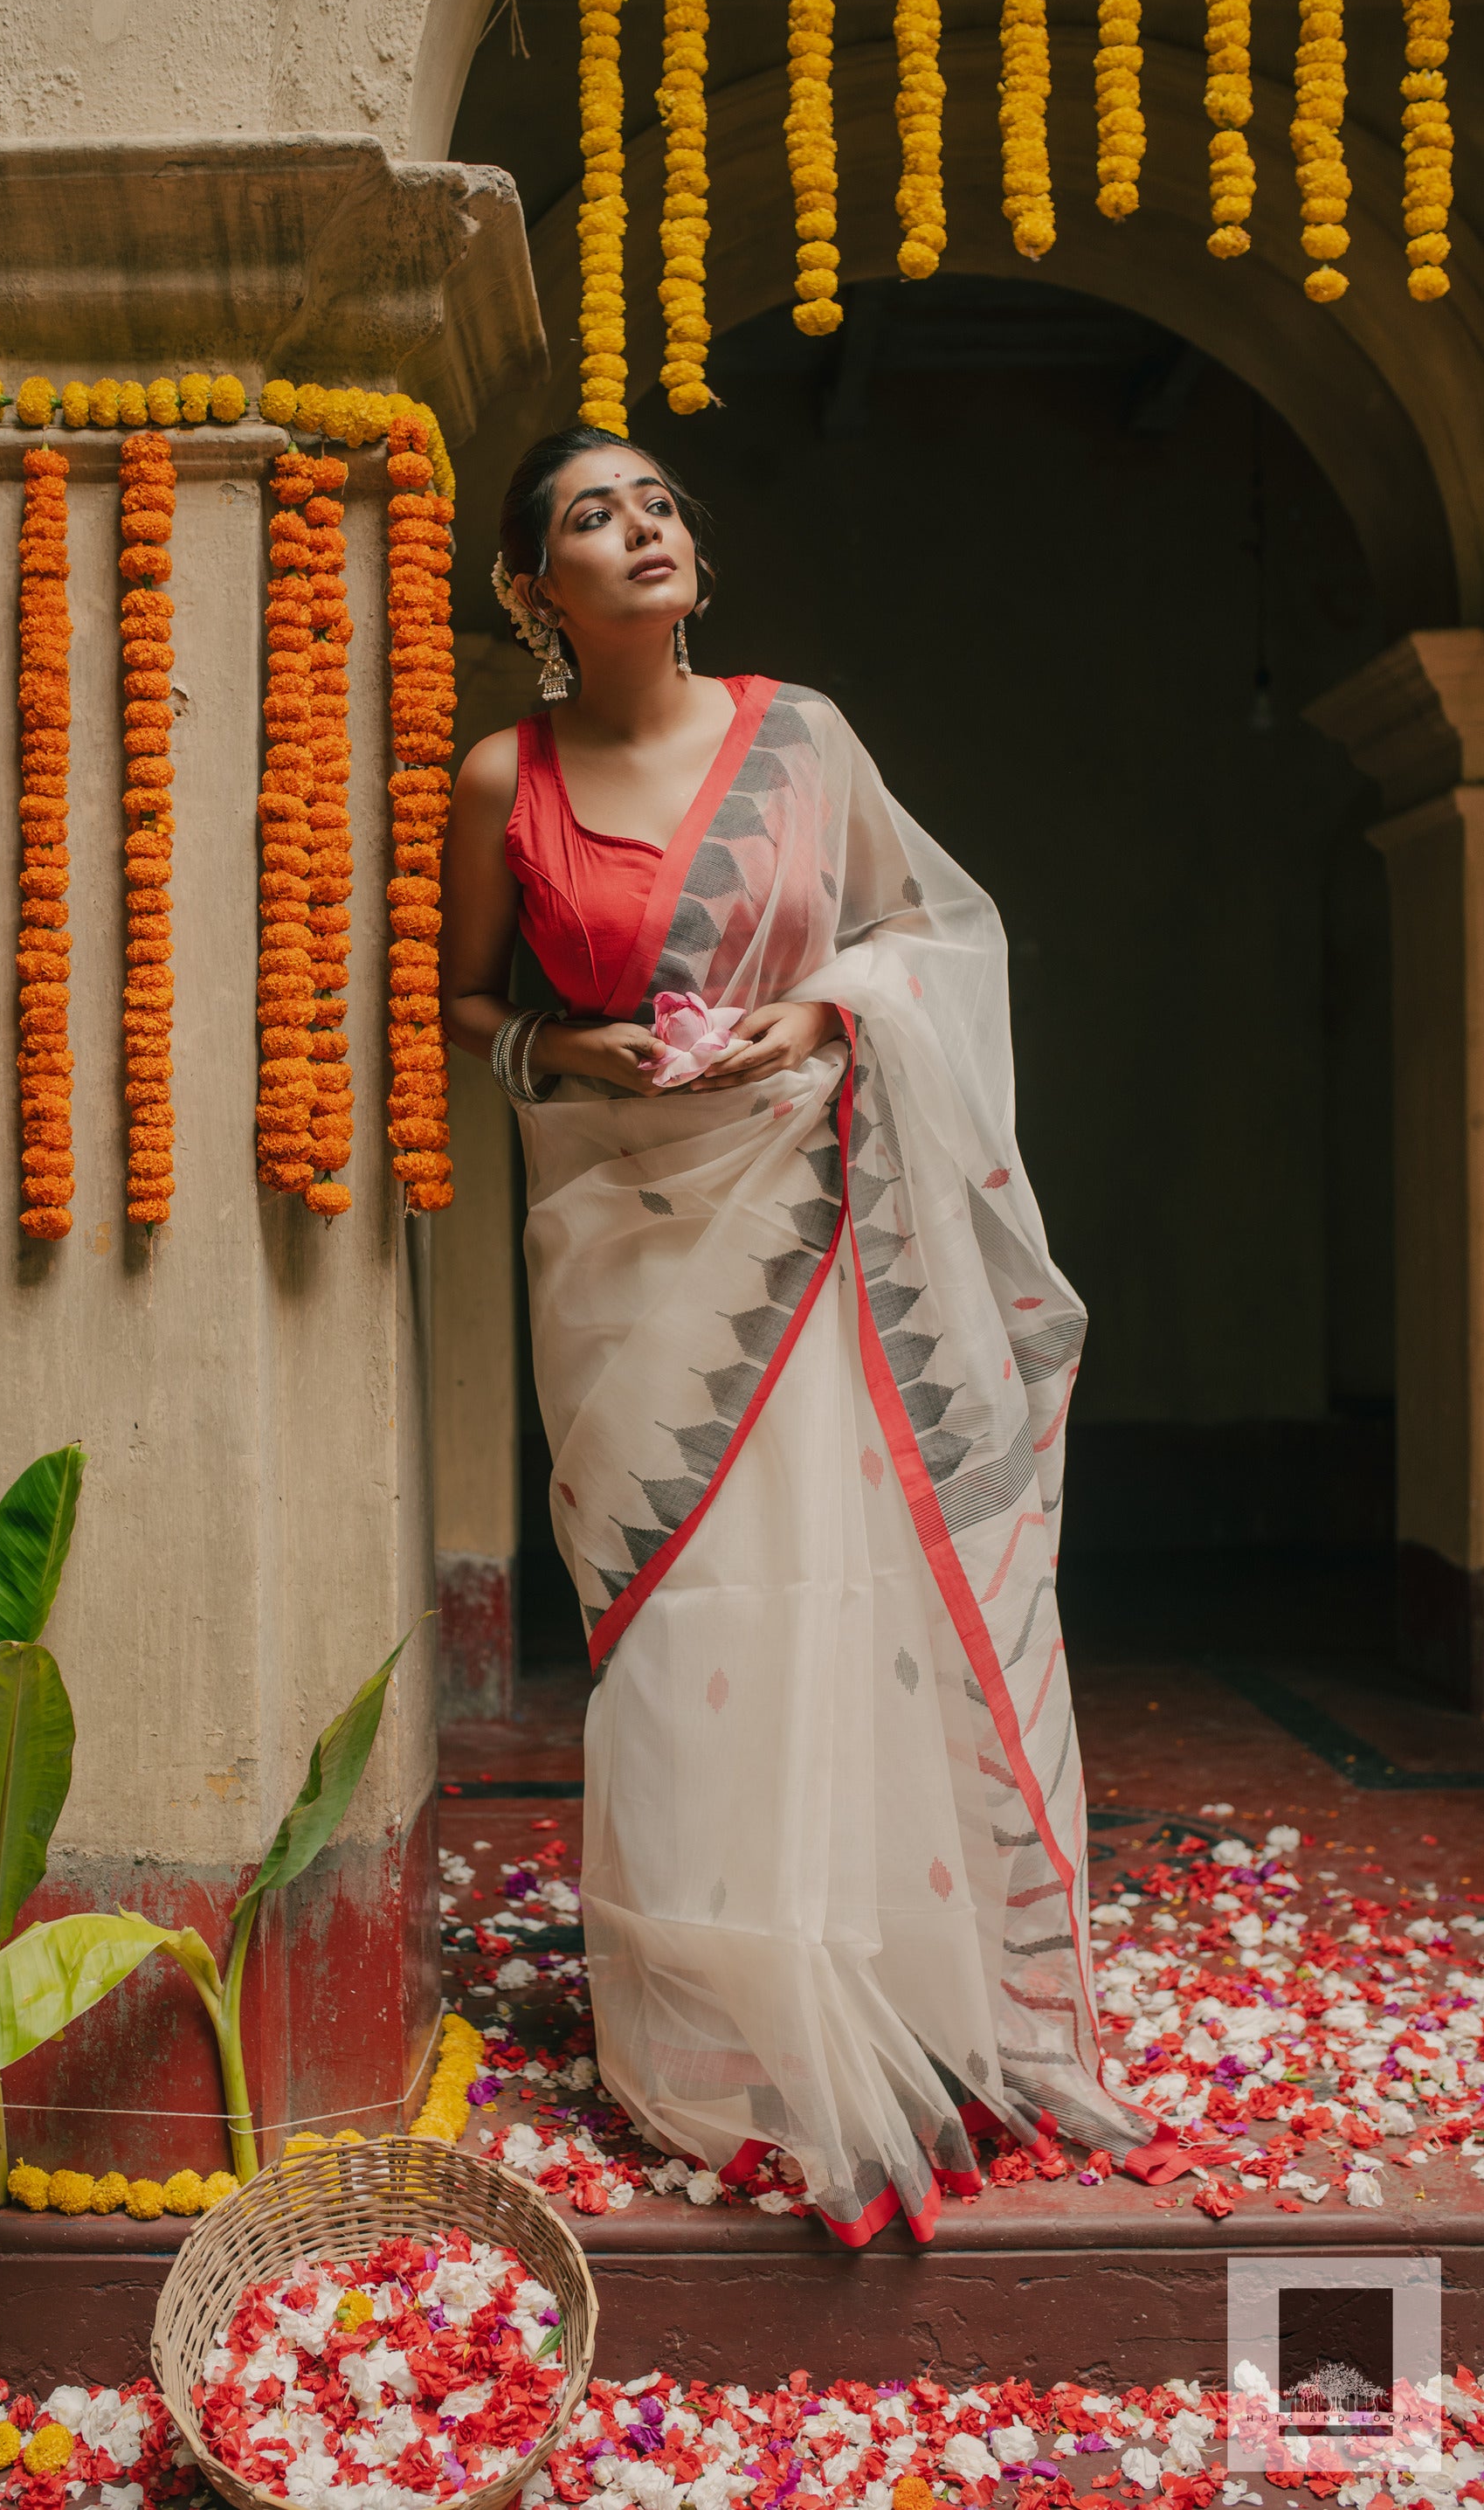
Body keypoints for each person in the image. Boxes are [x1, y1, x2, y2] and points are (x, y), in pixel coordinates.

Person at [439, 425, 1152, 2244]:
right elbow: (463, 1003)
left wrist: (824, 1018)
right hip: (619, 1250)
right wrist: (561, 1048)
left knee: (836, 1591)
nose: (644, 528)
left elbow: (927, 937)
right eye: (595, 516)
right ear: (535, 591)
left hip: (807, 1216)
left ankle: (879, 1991)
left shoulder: (804, 737)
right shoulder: (498, 774)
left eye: (659, 502)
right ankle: (707, 2031)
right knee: (680, 1617)